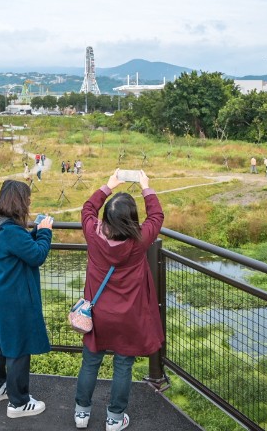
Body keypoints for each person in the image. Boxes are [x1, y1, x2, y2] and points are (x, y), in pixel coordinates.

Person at [74, 169, 164, 431]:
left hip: (97, 313)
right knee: (123, 365)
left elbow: (87, 209)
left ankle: (81, 413)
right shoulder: (140, 239)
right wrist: (146, 186)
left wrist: (108, 186)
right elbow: (156, 216)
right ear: (132, 220)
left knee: (91, 360)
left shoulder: (93, 233)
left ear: (106, 218)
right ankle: (115, 418)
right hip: (128, 315)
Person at [0, 179, 52, 419]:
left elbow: (20, 246)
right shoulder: (11, 230)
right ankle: (18, 403)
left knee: (0, 340)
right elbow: (37, 255)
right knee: (18, 345)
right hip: (15, 296)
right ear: (19, 202)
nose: (29, 204)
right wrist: (46, 233)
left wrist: (34, 233)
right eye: (27, 200)